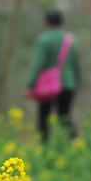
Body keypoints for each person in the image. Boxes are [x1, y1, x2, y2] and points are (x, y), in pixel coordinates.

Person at [26, 10, 80, 142]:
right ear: (62, 22)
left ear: (46, 23)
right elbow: (76, 66)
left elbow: (38, 64)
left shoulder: (44, 39)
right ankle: (75, 143)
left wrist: (29, 85)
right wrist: (76, 85)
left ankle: (44, 146)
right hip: (68, 84)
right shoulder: (72, 40)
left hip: (48, 85)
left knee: (43, 118)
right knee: (64, 117)